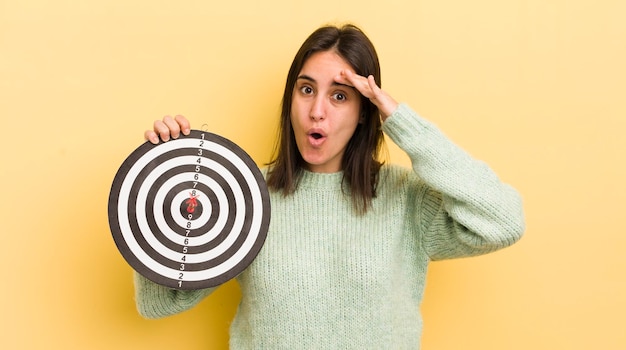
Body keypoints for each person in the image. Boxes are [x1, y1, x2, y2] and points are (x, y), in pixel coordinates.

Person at [136, 24, 525, 349]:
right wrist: (165, 177)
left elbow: (504, 221)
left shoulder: (406, 198)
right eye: (306, 89)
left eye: (340, 96)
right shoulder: (245, 195)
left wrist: (401, 120)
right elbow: (159, 302)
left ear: (363, 114)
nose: (316, 110)